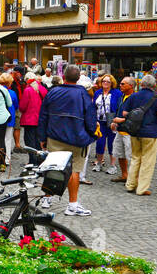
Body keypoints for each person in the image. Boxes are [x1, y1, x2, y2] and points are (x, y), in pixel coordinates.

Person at [37, 64, 98, 216]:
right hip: (77, 137)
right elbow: (90, 118)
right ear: (78, 78)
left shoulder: (53, 92)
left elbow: (43, 115)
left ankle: (47, 198)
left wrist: (42, 137)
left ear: (64, 76)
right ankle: (72, 205)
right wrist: (92, 135)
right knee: (74, 170)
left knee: (52, 167)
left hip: (55, 136)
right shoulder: (83, 94)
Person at [114, 74, 157, 197]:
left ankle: (130, 185)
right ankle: (142, 188)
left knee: (135, 158)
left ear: (141, 84)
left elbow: (124, 113)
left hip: (135, 132)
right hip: (150, 133)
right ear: (154, 86)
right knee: (147, 161)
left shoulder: (133, 96)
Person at [92, 75, 122, 172]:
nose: (105, 83)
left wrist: (117, 121)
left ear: (112, 83)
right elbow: (93, 107)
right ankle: (99, 163)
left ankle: (113, 165)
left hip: (112, 121)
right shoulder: (97, 93)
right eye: (104, 81)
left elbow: (119, 107)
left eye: (108, 82)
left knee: (111, 143)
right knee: (100, 143)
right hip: (99, 122)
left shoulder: (117, 93)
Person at [109, 77, 135, 182]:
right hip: (120, 130)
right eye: (120, 84)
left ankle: (132, 178)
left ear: (131, 86)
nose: (120, 85)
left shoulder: (135, 98)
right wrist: (114, 121)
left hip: (130, 132)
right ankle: (124, 175)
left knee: (131, 156)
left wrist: (122, 119)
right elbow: (117, 110)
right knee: (120, 154)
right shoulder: (121, 96)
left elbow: (136, 115)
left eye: (123, 84)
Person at [18, 73, 45, 150]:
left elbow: (23, 107)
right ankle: (39, 160)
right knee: (38, 141)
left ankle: (32, 160)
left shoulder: (28, 90)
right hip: (40, 119)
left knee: (30, 141)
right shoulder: (43, 89)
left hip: (29, 119)